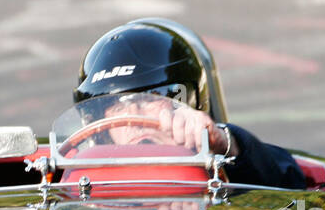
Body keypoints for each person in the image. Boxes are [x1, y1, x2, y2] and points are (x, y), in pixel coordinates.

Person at [72, 19, 306, 189]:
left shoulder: (219, 168)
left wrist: (223, 143)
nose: (133, 119)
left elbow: (289, 179)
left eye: (147, 100)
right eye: (117, 108)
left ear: (184, 101)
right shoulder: (78, 181)